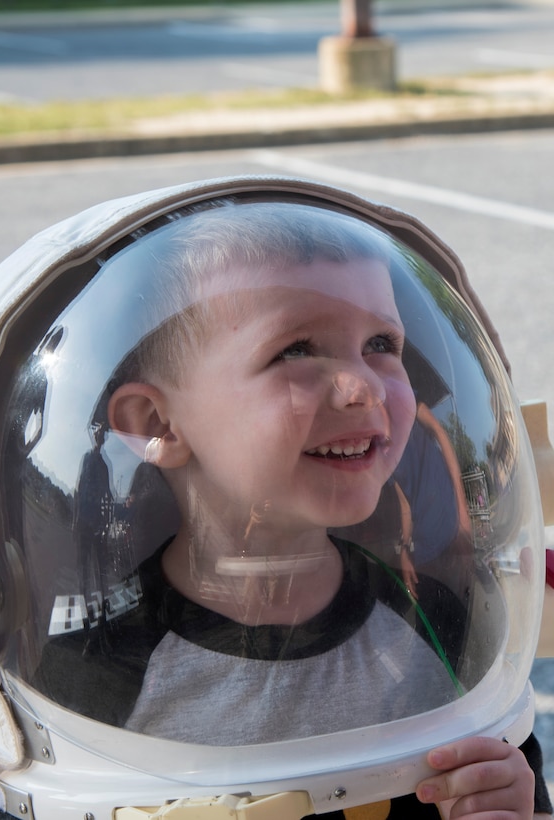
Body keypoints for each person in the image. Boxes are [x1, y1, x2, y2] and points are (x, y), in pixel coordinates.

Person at [30, 201, 551, 819]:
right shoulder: (97, 674)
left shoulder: (436, 626)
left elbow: (509, 779)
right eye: (296, 350)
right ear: (157, 423)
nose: (364, 386)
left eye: (381, 344)